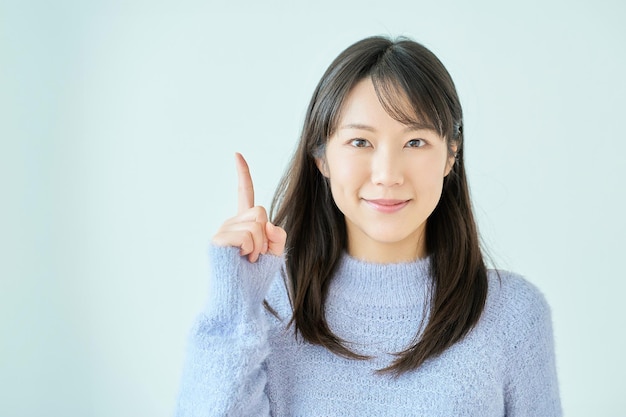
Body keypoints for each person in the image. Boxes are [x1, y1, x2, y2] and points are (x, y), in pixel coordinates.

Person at [174, 36, 561, 416]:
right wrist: (234, 306)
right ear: (321, 157)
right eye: (360, 142)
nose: (387, 175)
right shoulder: (267, 305)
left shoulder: (513, 314)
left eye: (415, 142)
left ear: (451, 156)